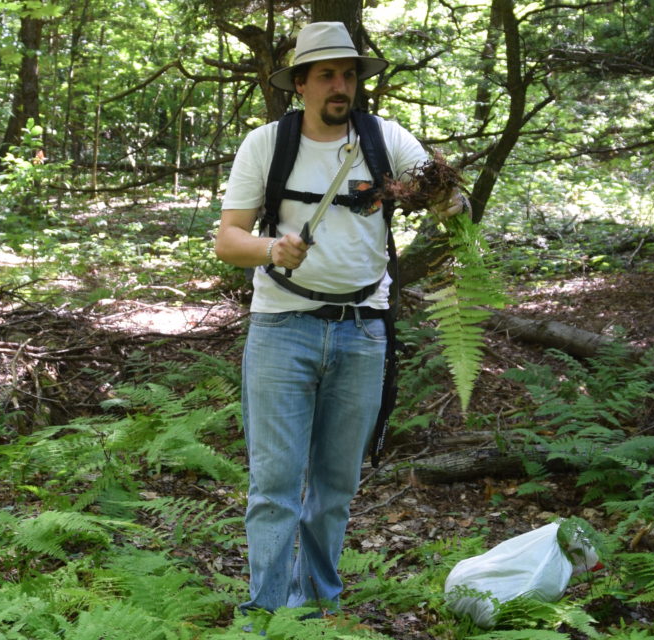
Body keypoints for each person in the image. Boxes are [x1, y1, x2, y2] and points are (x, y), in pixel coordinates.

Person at [214, 21, 464, 616]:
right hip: (281, 328)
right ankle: (266, 616)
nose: (340, 85)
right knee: (274, 489)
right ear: (300, 83)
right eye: (326, 74)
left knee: (335, 491)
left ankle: (318, 611)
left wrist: (453, 201)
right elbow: (227, 239)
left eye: (348, 74)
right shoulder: (266, 145)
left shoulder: (384, 141)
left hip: (363, 332)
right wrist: (272, 248)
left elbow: (444, 194)